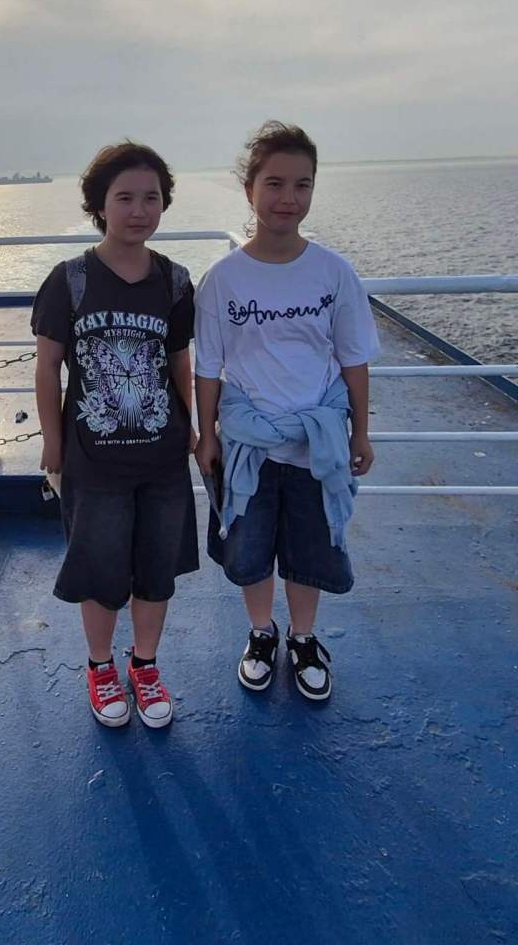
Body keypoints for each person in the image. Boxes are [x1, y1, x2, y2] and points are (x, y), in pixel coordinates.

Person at [193, 121, 379, 701]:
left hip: (316, 442)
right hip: (248, 442)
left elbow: (353, 359)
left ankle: (303, 637)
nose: (288, 198)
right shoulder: (223, 279)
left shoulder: (333, 272)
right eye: (274, 183)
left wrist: (361, 433)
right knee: (249, 549)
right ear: (249, 189)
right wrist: (206, 435)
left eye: (302, 185)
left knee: (308, 546)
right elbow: (208, 367)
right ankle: (260, 632)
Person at [32, 140, 197, 728]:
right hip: (93, 459)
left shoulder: (174, 282)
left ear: (164, 204)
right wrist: (53, 442)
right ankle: (100, 667)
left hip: (162, 458)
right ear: (99, 205)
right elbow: (48, 366)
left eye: (151, 197)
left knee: (156, 570)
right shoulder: (70, 280)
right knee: (99, 570)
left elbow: (178, 360)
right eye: (124, 197)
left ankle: (144, 665)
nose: (139, 210)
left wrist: (193, 427)